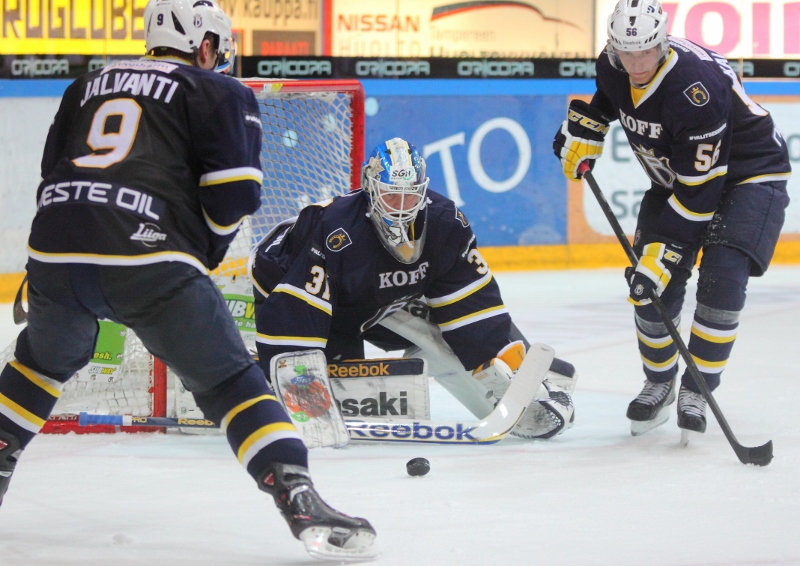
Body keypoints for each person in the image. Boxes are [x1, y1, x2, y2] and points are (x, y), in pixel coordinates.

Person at [0, 0, 379, 560]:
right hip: (150, 267)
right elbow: (234, 196)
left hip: (53, 255)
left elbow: (53, 176)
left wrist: (54, 265)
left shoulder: (86, 85)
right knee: (230, 383)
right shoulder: (218, 90)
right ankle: (296, 493)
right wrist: (195, 255)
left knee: (38, 364)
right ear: (206, 46)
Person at [552, 0, 791, 436]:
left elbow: (702, 191)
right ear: (612, 47)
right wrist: (590, 126)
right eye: (626, 54)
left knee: (722, 274)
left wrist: (666, 250)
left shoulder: (695, 88)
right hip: (677, 180)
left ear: (662, 42)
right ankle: (659, 382)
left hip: (748, 175)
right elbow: (612, 97)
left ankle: (698, 387)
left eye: (645, 53)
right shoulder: (612, 63)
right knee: (648, 288)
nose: (636, 64)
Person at [251, 137, 576, 440]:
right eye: (392, 194)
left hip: (377, 296)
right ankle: (250, 376)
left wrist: (500, 361)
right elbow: (296, 312)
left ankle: (519, 398)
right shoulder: (335, 232)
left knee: (453, 333)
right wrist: (295, 378)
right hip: (292, 284)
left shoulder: (444, 222)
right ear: (371, 189)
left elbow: (473, 302)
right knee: (330, 392)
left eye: (412, 194)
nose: (402, 206)